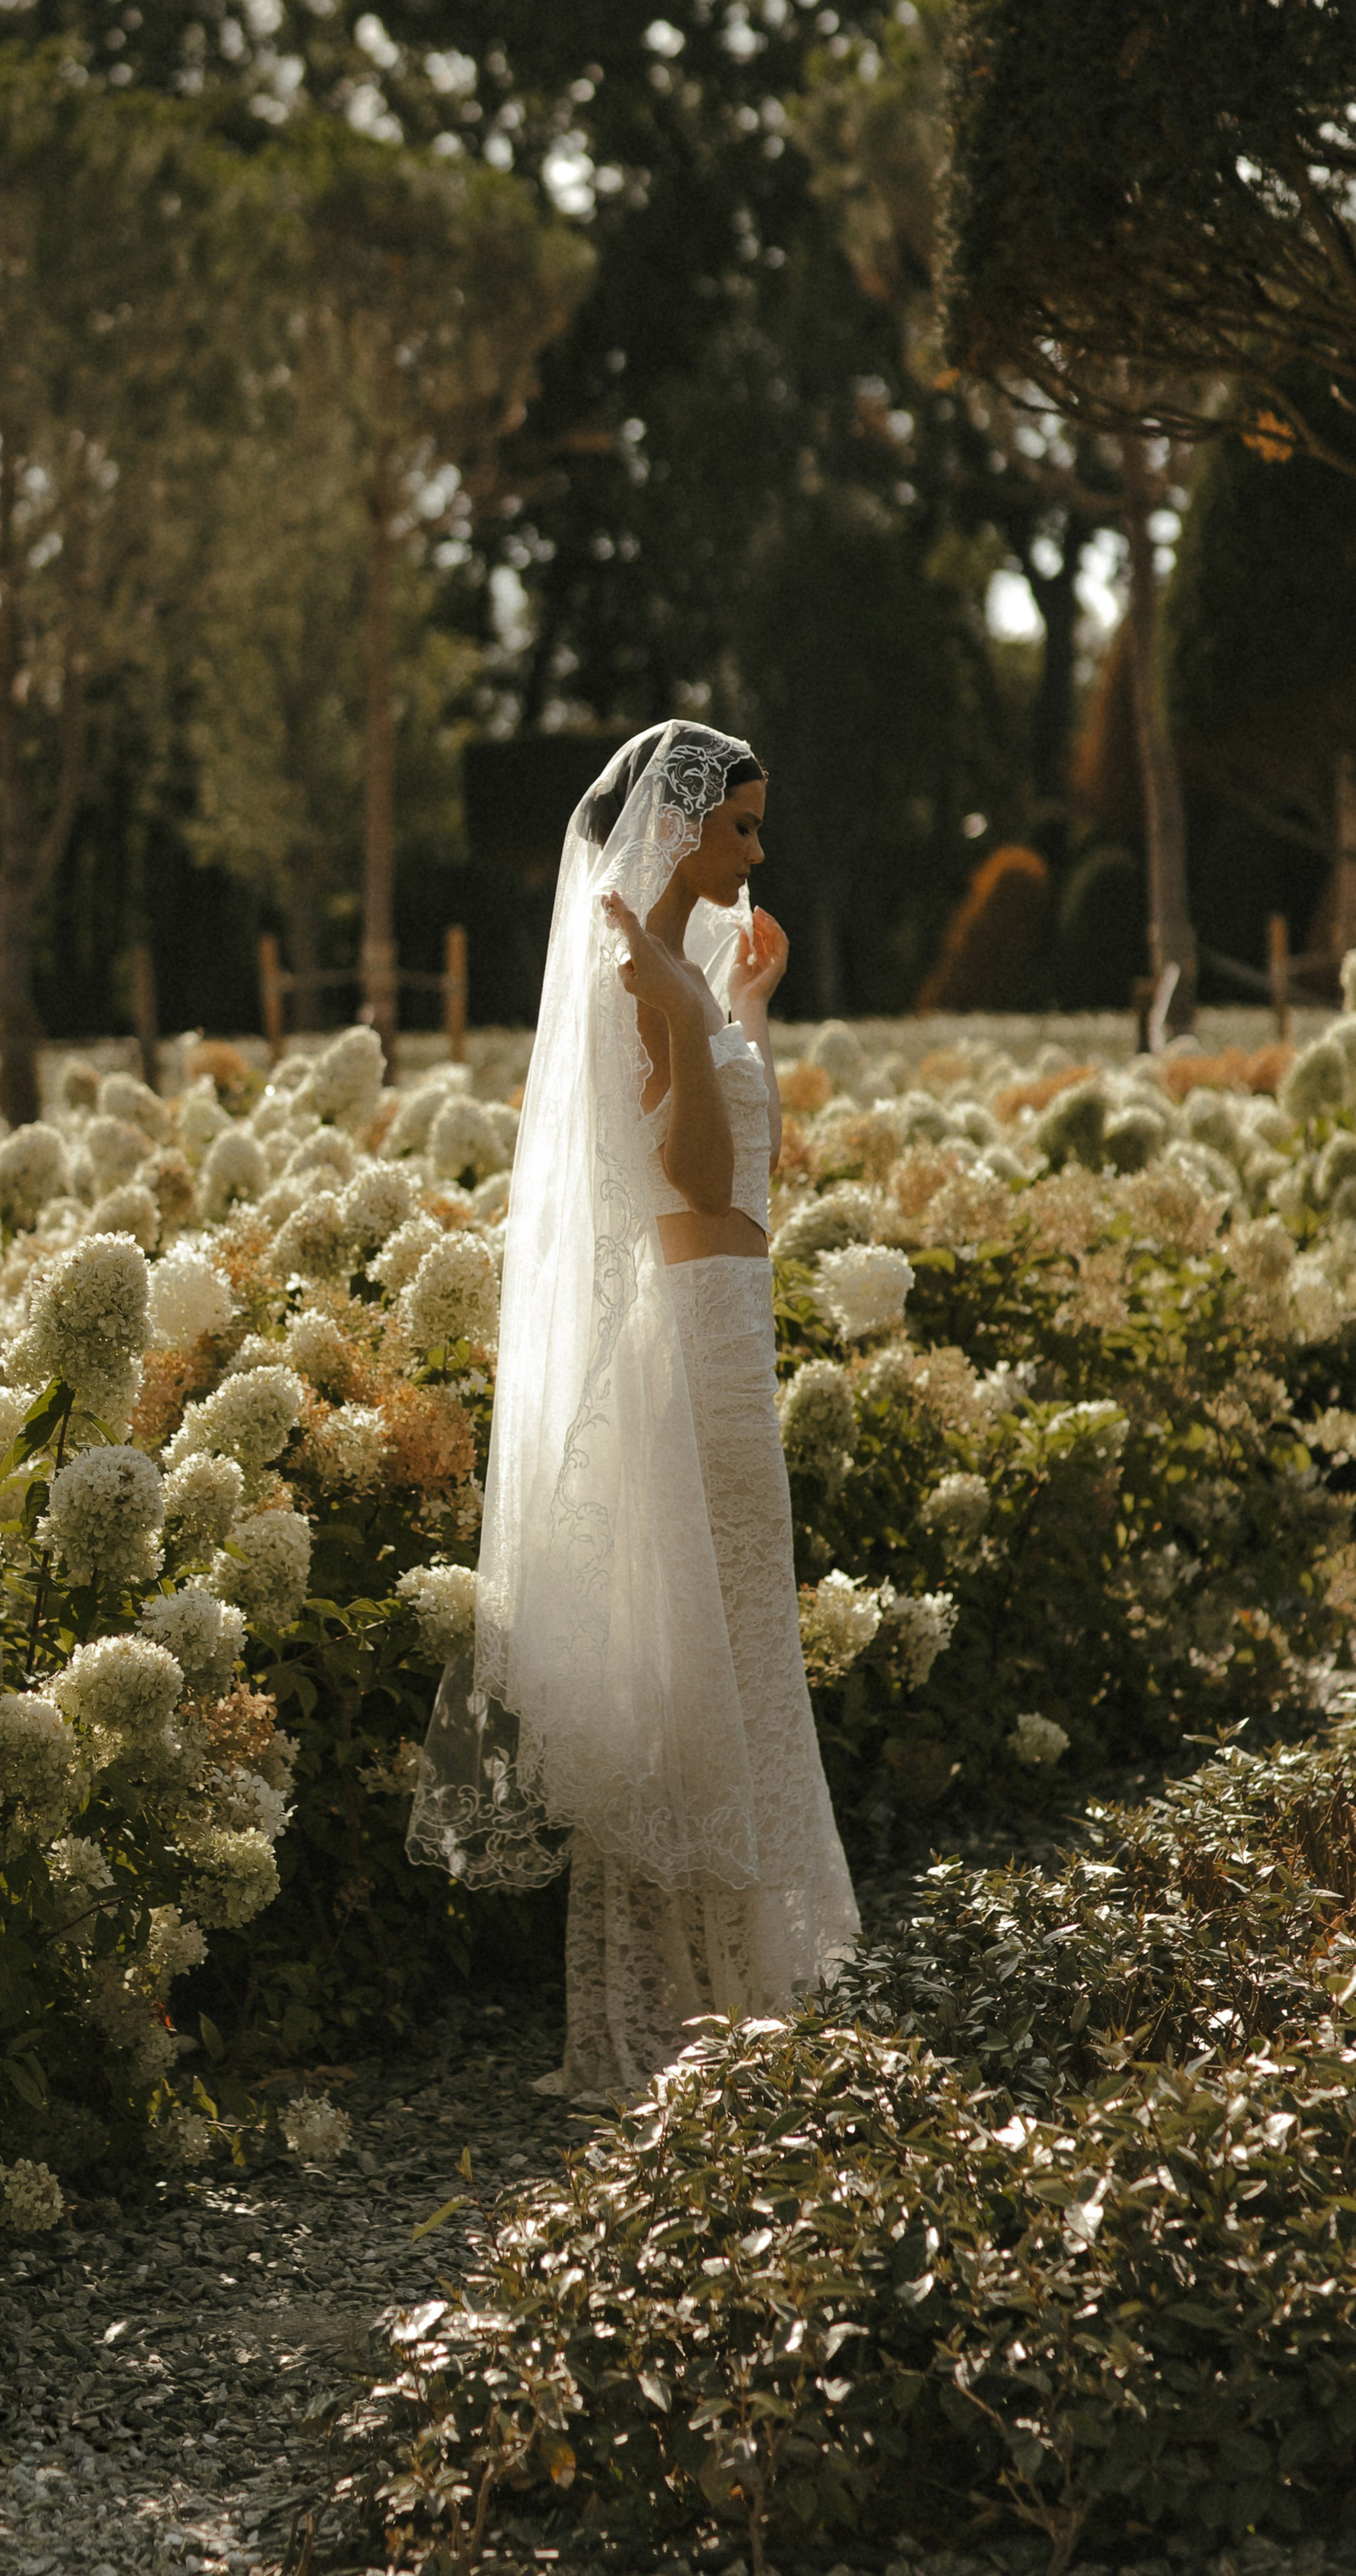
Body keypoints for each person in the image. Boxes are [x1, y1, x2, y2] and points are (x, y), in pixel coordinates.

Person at [408, 720, 859, 2094]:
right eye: (742, 830)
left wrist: (737, 1007)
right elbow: (706, 1183)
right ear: (681, 830)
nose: (758, 852)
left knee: (733, 1647)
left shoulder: (678, 972)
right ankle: (690, 2010)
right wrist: (680, 998)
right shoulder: (638, 981)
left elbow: (723, 1147)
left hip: (729, 1327)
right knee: (708, 1663)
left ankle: (738, 1981)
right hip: (699, 1348)